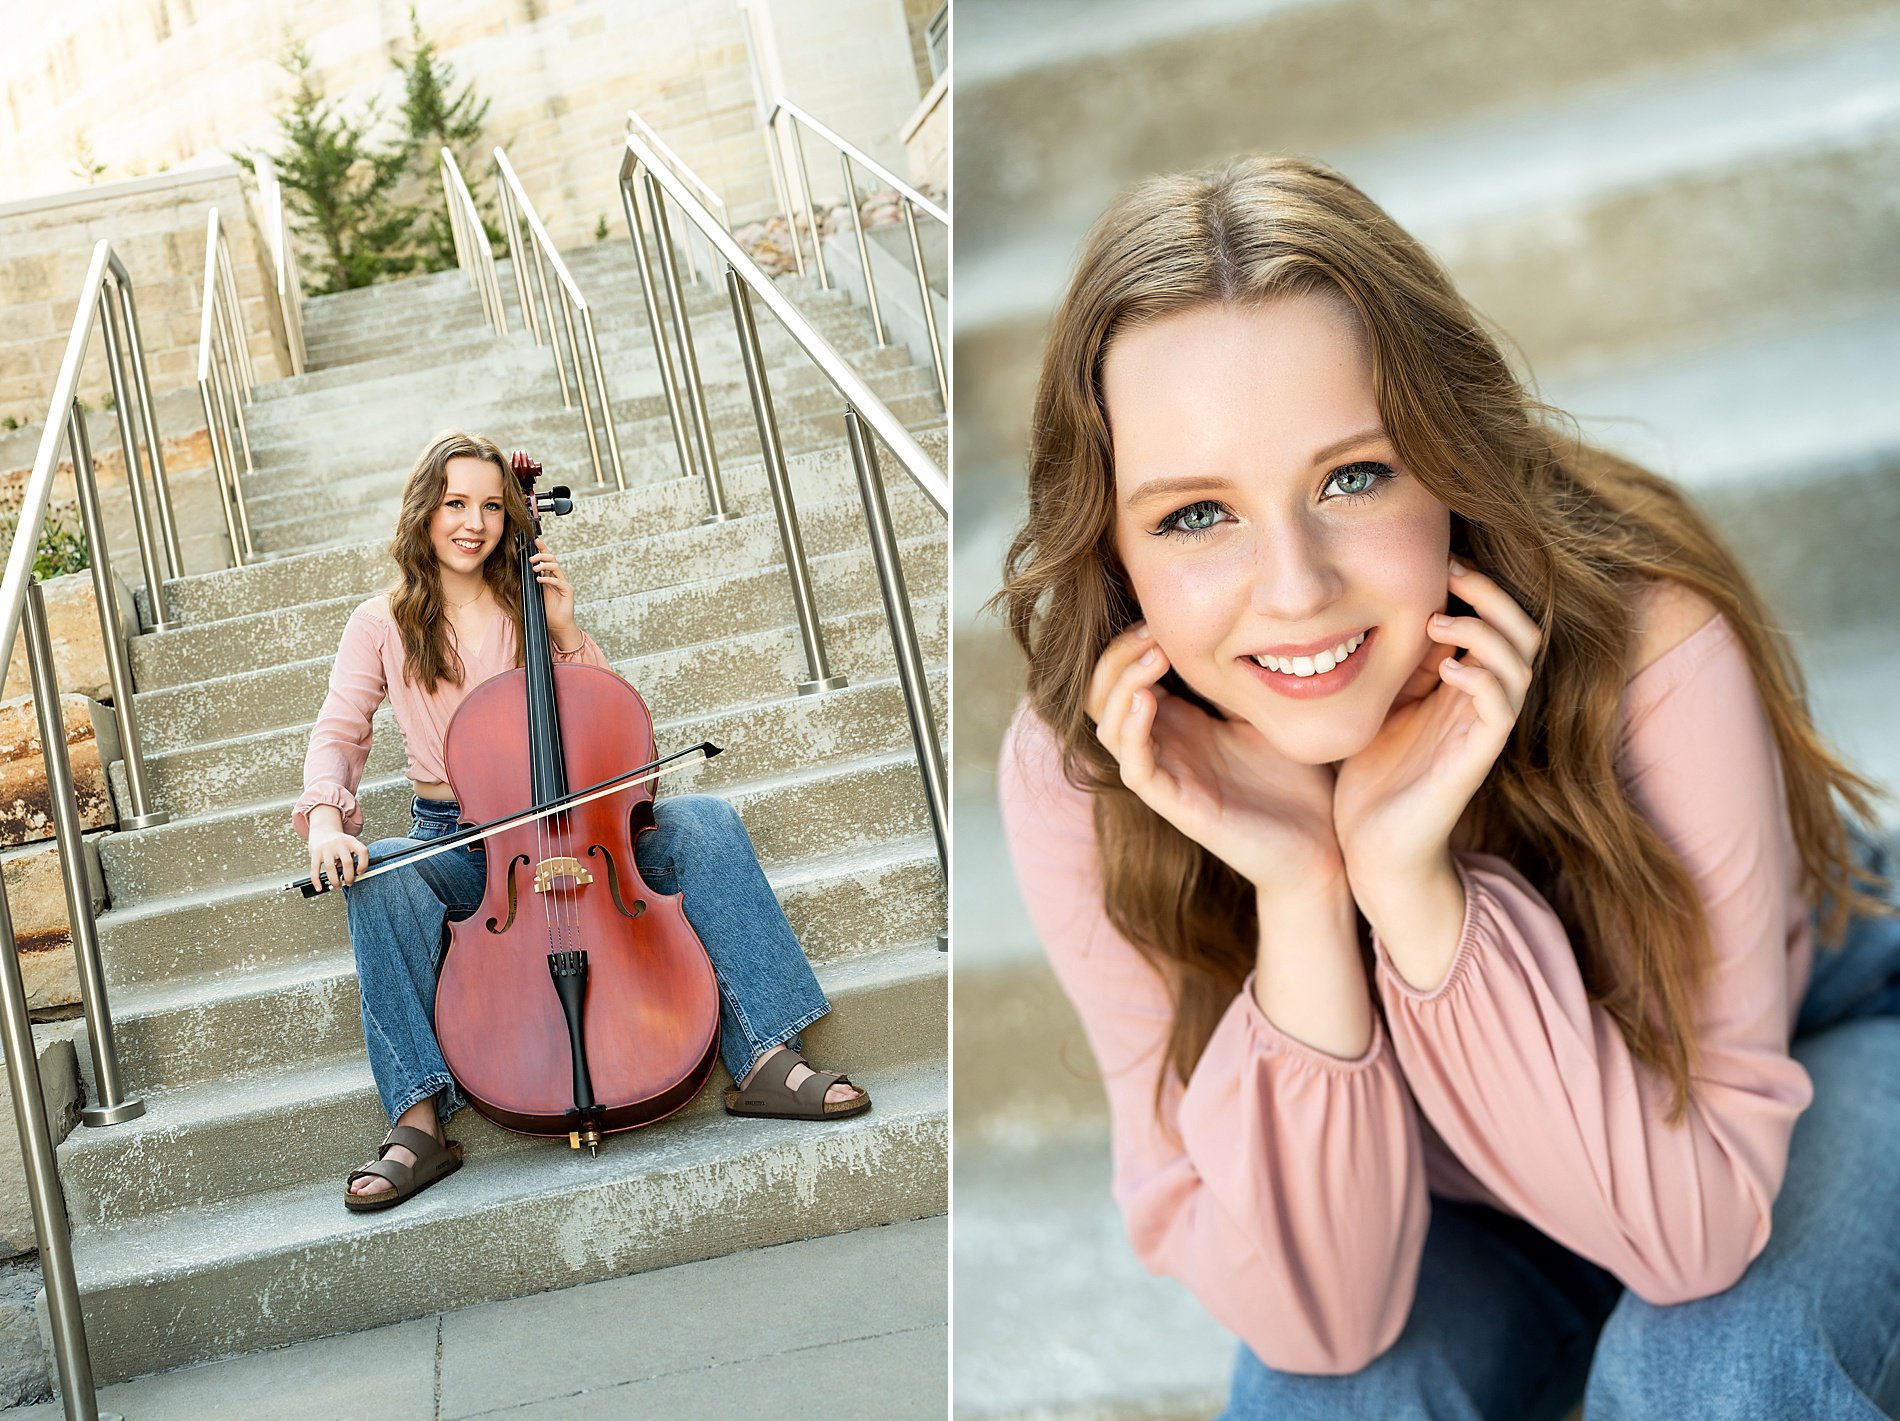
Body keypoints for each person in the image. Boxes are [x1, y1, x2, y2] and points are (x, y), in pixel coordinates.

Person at [995, 155, 1900, 1419]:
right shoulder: (1088, 770)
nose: (1297, 587)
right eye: (1196, 515)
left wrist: (1417, 892)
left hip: (1816, 1039)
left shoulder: (1647, 654)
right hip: (1458, 1185)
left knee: (1716, 1367)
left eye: (1352, 477)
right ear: (1111, 546)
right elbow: (1326, 1318)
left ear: (1448, 463)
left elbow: (1691, 1230)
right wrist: (1308, 892)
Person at [295, 431, 869, 1213]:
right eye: (456, 502)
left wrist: (564, 631)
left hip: (579, 823)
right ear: (424, 508)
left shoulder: (527, 601)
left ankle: (764, 1050)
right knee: (380, 879)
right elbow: (339, 733)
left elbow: (615, 740)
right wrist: (328, 822)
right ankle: (418, 1118)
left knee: (703, 821)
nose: (475, 522)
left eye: (493, 506)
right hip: (460, 840)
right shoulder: (382, 621)